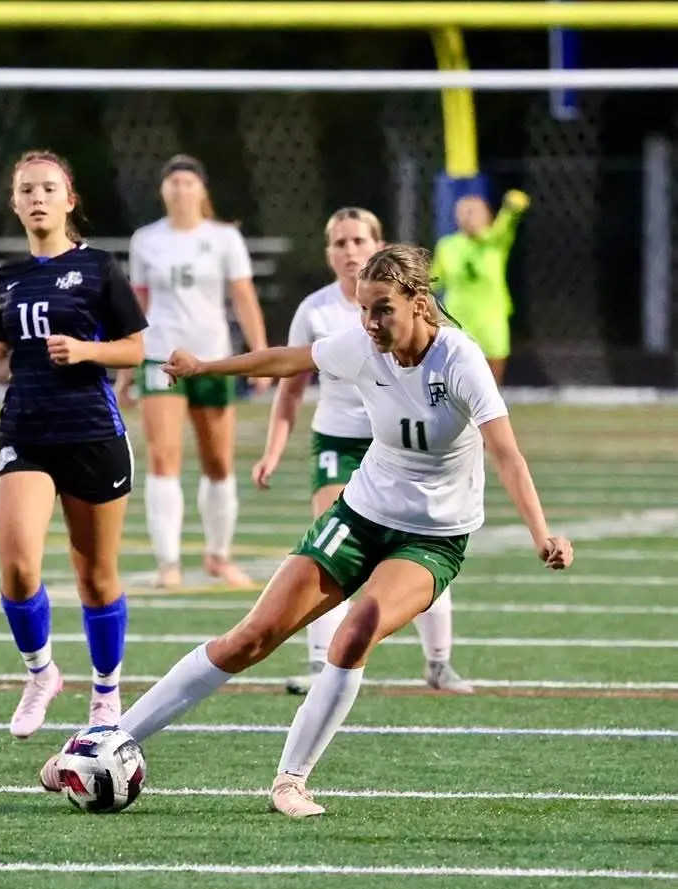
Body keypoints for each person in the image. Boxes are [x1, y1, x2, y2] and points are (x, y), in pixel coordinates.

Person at [40, 244, 573, 816]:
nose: (370, 323)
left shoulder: (459, 359)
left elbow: (506, 453)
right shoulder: (363, 346)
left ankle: (290, 781)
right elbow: (286, 360)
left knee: (356, 631)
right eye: (364, 309)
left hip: (432, 539)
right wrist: (205, 368)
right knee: (250, 638)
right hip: (360, 516)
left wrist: (541, 533)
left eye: (383, 309)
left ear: (419, 304)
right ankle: (104, 743)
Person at [0, 149, 147, 738]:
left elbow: (135, 349)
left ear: (69, 200)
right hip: (26, 433)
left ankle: (106, 692)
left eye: (48, 188)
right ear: (14, 204)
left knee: (97, 578)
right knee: (17, 568)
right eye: (26, 190)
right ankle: (41, 673)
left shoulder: (99, 268)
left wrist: (87, 350)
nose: (37, 198)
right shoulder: (8, 278)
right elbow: (6, 352)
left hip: (92, 433)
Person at [252, 207, 471, 696]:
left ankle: (439, 662)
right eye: (340, 243)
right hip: (339, 441)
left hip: (400, 443)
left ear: (379, 246)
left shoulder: (407, 306)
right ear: (328, 252)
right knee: (330, 542)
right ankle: (319, 662)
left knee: (420, 541)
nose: (350, 251)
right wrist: (273, 450)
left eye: (359, 241)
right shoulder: (315, 310)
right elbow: (290, 387)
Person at [115, 154, 270, 589]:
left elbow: (243, 297)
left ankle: (219, 555)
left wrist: (259, 354)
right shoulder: (146, 240)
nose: (180, 188)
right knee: (163, 455)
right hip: (160, 356)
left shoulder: (223, 238)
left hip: (212, 358)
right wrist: (126, 366)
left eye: (188, 181)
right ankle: (168, 562)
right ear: (163, 190)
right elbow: (139, 302)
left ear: (202, 190)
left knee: (218, 461)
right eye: (173, 182)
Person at [432, 190, 530, 385]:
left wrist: (512, 206)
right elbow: (435, 279)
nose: (468, 217)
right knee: (458, 370)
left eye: (473, 212)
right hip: (459, 315)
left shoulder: (495, 241)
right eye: (463, 212)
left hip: (491, 314)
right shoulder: (447, 246)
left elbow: (509, 218)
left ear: (487, 216)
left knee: (493, 370)